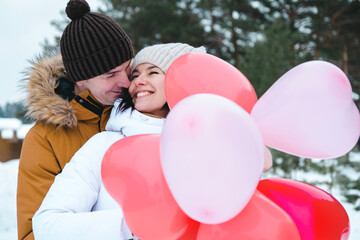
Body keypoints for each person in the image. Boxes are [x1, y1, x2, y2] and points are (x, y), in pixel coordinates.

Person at [32, 43, 206, 240]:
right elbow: (47, 226)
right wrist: (130, 224)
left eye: (153, 73)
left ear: (181, 81)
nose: (138, 81)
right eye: (135, 75)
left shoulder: (205, 148)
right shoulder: (104, 145)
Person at [16, 0, 134, 239]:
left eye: (128, 68)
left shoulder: (144, 111)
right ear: (80, 79)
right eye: (110, 74)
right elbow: (33, 233)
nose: (126, 82)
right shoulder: (44, 139)